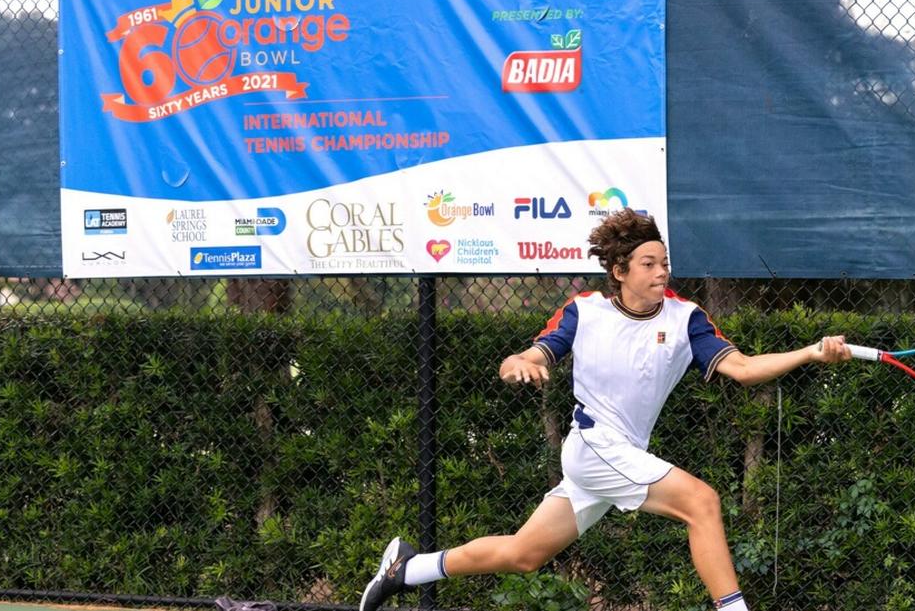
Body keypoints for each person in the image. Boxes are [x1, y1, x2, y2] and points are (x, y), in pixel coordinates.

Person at [360, 208, 851, 611]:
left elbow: (742, 368)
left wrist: (810, 352)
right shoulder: (585, 311)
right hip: (594, 447)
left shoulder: (687, 319)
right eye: (648, 264)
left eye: (664, 263)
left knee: (524, 554)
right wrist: (520, 365)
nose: (661, 272)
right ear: (620, 271)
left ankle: (407, 568)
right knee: (702, 502)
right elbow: (525, 358)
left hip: (621, 454)